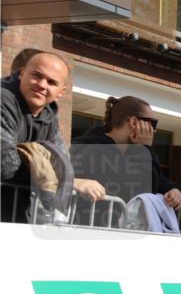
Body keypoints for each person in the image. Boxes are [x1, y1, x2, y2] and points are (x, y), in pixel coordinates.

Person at [2, 52, 105, 222]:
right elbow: (6, 163)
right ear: (21, 74)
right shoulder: (3, 99)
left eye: (52, 82)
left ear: (60, 92)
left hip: (15, 216)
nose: (42, 85)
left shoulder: (49, 115)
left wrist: (60, 177)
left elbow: (61, 160)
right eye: (37, 75)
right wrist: (70, 183)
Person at [71, 96, 181, 214]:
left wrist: (172, 189)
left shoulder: (129, 150)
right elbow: (142, 188)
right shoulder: (97, 149)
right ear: (133, 122)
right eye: (152, 123)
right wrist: (143, 148)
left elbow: (157, 179)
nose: (154, 130)